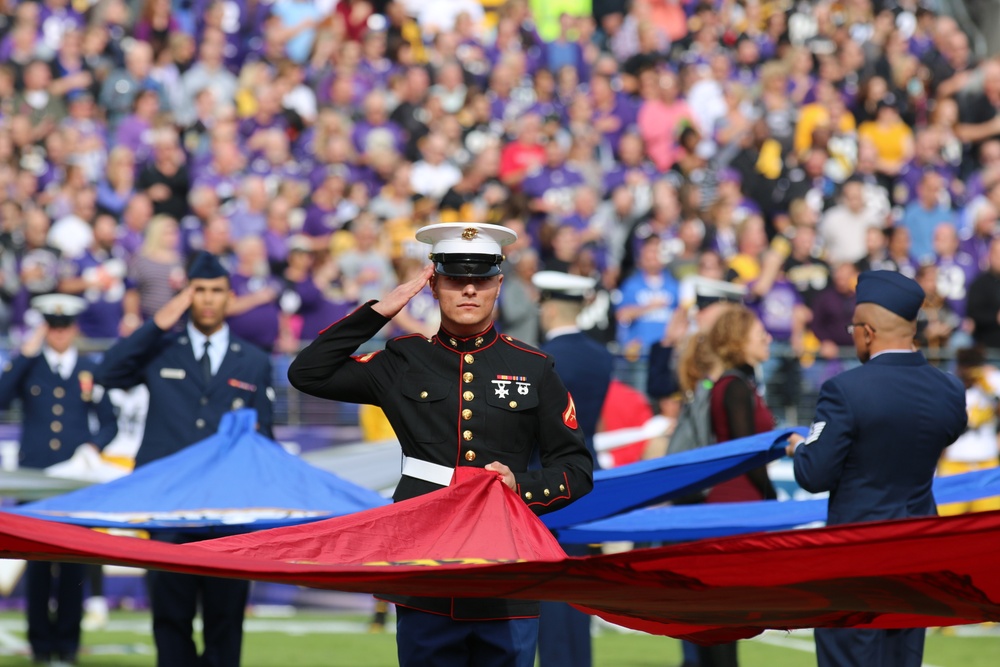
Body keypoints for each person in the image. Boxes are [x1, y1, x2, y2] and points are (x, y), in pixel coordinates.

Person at [287, 222, 594, 667]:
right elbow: (308, 372)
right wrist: (380, 311)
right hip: (423, 564)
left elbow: (576, 470)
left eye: (481, 280)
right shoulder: (403, 359)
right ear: (433, 284)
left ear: (498, 285)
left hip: (503, 567)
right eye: (454, 279)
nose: (468, 290)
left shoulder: (534, 368)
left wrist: (521, 487)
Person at [95, 252, 274, 667]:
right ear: (186, 296)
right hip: (168, 510)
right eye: (199, 291)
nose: (208, 300)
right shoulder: (162, 349)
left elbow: (264, 438)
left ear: (229, 297)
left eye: (216, 291)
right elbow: (107, 373)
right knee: (170, 622)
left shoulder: (254, 360)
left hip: (228, 513)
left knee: (225, 623)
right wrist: (160, 321)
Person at [786, 270, 967, 667]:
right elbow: (945, 433)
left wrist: (801, 447)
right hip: (919, 557)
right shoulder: (950, 391)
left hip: (856, 558)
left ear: (867, 332)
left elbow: (813, 474)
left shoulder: (845, 390)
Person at [0, 294, 118, 666]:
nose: (60, 333)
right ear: (45, 327)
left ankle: (67, 645)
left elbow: (110, 420)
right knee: (36, 566)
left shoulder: (88, 369)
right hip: (34, 480)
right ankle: (40, 646)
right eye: (53, 325)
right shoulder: (31, 366)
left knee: (71, 565)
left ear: (75, 328)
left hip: (72, 483)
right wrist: (24, 354)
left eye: (65, 326)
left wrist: (93, 446)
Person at [530, 270, 614, 667]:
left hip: (545, 480)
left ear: (548, 308)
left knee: (548, 592)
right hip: (586, 477)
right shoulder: (601, 356)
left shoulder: (542, 359)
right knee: (577, 591)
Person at [697, 303, 777, 667]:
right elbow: (748, 452)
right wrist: (772, 497)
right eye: (758, 332)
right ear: (738, 340)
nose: (768, 337)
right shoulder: (734, 386)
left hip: (736, 503)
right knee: (725, 617)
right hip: (736, 504)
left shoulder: (739, 383)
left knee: (727, 616)